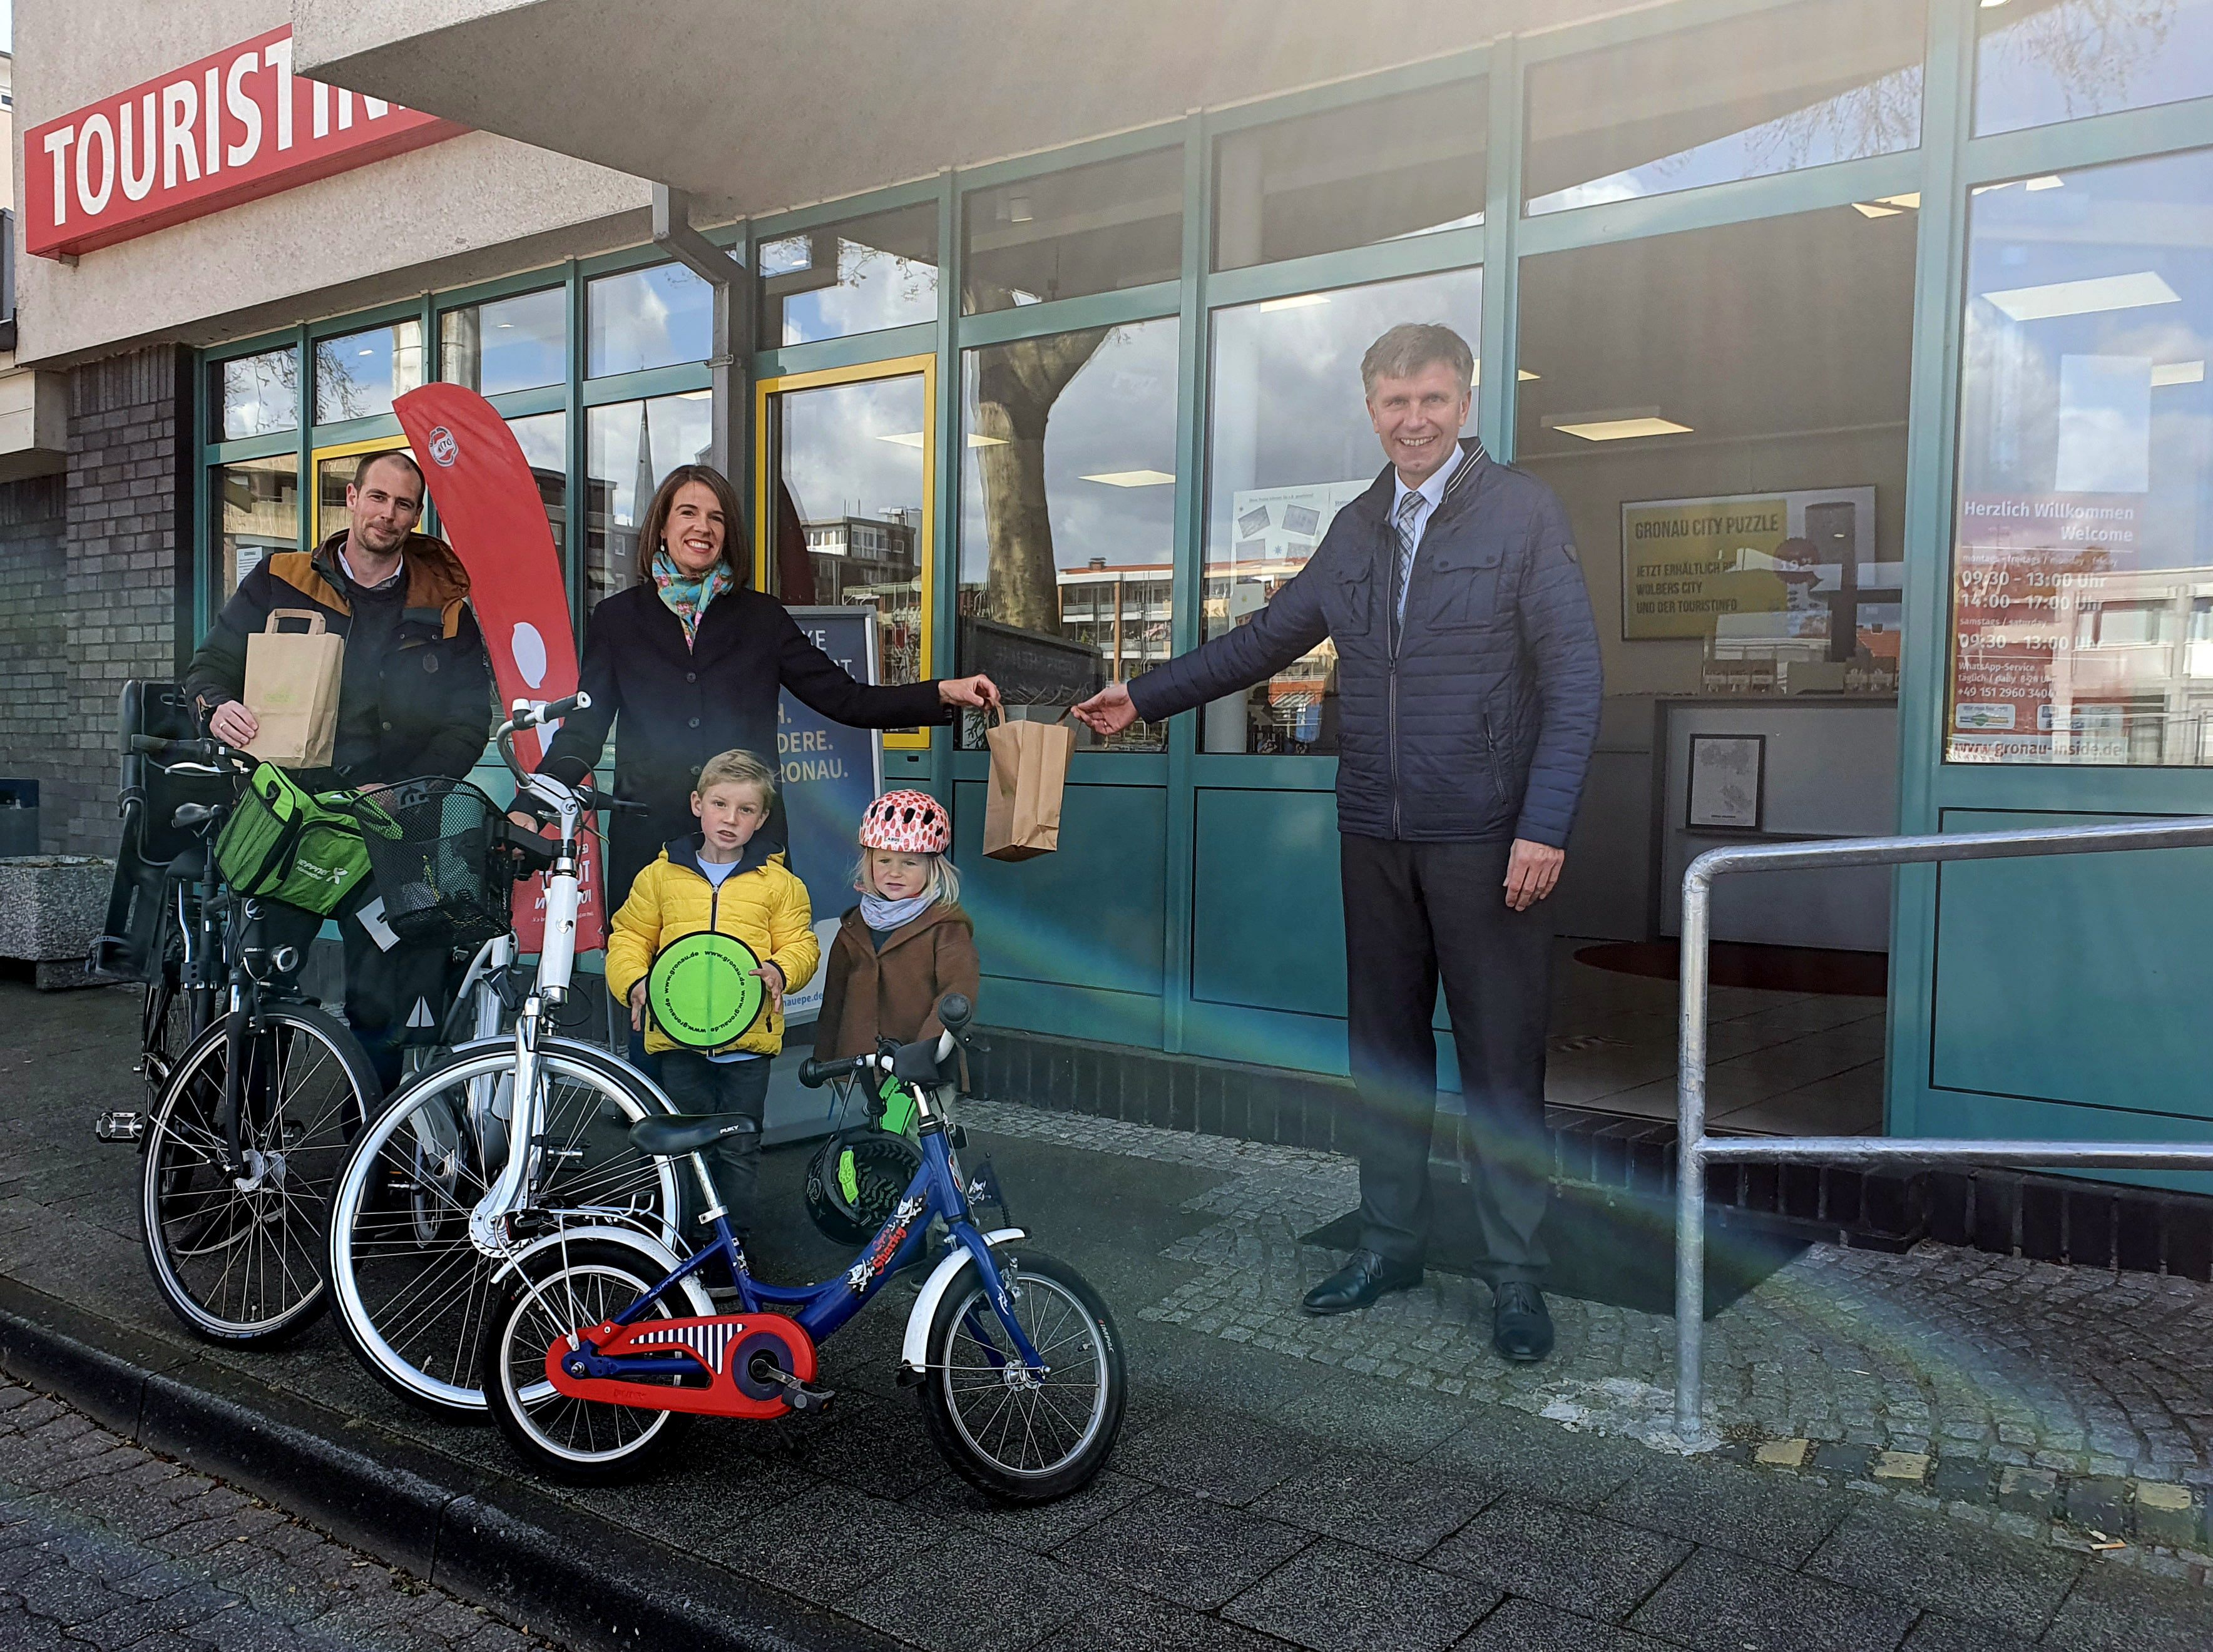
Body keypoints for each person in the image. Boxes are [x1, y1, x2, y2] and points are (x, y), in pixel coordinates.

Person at [1074, 322, 1602, 1364]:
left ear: (1466, 403)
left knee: (1499, 1072)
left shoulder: (1525, 515)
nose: (1414, 419)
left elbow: (1577, 683)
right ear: (1371, 410)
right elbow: (1265, 641)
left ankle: (1516, 1281)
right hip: (1376, 832)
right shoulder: (1358, 525)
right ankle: (1391, 1243)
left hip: (1488, 838)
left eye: (1433, 400)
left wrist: (1544, 825)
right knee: (1386, 1062)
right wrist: (1142, 696)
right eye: (1395, 402)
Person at [536, 464, 1001, 906]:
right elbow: (585, 728)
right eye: (688, 513)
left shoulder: (762, 618)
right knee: (650, 982)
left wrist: (941, 692)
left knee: (752, 978)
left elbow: (847, 698)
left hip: (750, 846)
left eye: (716, 517)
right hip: (651, 845)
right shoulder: (617, 619)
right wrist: (533, 801)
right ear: (662, 526)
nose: (703, 527)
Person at [185, 449, 493, 1092]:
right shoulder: (279, 579)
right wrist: (217, 708)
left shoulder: (448, 605)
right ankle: (247, 1147)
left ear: (417, 514)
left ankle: (372, 1157)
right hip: (288, 814)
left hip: (394, 822)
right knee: (260, 988)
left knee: (385, 1005)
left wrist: (408, 787)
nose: (389, 514)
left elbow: (468, 723)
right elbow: (210, 667)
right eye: (377, 498)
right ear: (351, 499)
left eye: (404, 504)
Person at [605, 749, 819, 1245]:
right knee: (684, 1147)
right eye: (721, 805)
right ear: (698, 804)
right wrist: (635, 982)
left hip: (748, 1045)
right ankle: (681, 1241)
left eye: (746, 811)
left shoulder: (780, 885)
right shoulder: (659, 876)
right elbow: (629, 937)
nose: (731, 819)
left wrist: (783, 970)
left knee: (739, 1147)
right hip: (678, 1040)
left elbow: (801, 943)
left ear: (762, 818)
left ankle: (732, 1246)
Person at [813, 790, 980, 1066]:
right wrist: (823, 1060)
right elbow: (834, 1001)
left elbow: (957, 991)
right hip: (860, 1065)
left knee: (924, 1113)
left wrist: (926, 1051)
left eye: (909, 863)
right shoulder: (855, 927)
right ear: (869, 863)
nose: (895, 872)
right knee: (861, 1111)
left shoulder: (946, 926)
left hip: (924, 1066)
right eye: (884, 861)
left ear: (933, 868)